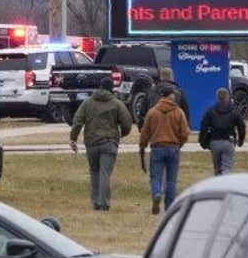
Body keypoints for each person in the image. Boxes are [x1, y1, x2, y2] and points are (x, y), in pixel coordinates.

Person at [69, 77, 133, 211]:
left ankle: (95, 201)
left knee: (94, 172)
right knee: (105, 172)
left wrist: (73, 138)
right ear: (111, 88)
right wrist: (123, 133)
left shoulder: (87, 103)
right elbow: (127, 123)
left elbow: (78, 121)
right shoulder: (116, 103)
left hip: (92, 142)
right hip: (109, 142)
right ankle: (103, 202)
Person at [138, 84, 190, 215]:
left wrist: (143, 145)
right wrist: (180, 143)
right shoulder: (179, 112)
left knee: (155, 176)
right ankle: (170, 207)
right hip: (173, 148)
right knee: (171, 180)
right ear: (171, 96)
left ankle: (156, 193)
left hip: (157, 148)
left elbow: (145, 132)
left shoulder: (152, 112)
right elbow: (185, 132)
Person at [199, 87, 246, 176]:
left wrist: (203, 142)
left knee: (217, 169)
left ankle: (218, 186)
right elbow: (241, 126)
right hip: (229, 141)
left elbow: (203, 127)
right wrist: (241, 140)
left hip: (214, 142)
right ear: (228, 97)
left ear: (217, 97)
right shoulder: (234, 111)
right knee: (227, 168)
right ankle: (226, 185)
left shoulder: (210, 111)